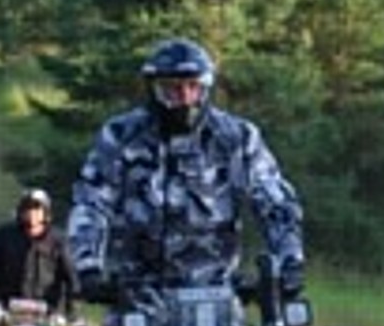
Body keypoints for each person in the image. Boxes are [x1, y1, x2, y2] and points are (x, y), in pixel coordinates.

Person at [66, 38, 305, 300]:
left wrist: (290, 260)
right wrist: (88, 267)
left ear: (206, 88)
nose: (185, 99)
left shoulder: (236, 137)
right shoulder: (122, 136)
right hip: (137, 296)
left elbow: (274, 201)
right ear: (153, 91)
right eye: (172, 89)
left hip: (217, 295)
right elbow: (91, 204)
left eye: (194, 88)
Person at [0, 187, 77, 315]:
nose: (32, 213)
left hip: (46, 314)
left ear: (45, 213)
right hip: (4, 311)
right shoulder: (2, 237)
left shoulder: (58, 241)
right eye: (27, 208)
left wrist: (71, 311)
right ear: (20, 211)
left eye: (37, 209)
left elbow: (71, 278)